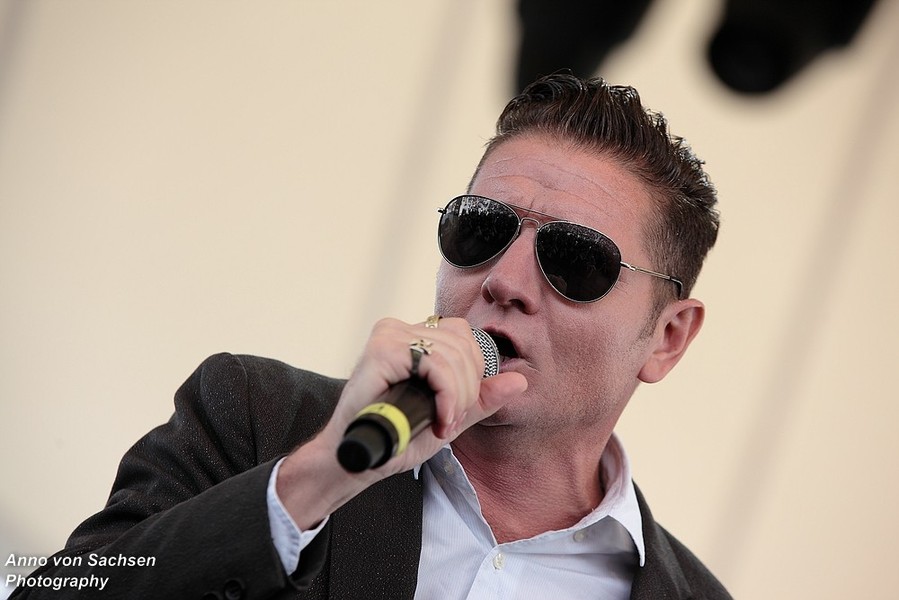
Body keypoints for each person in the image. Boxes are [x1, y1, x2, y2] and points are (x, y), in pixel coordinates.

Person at [11, 73, 730, 599]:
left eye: (574, 259)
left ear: (667, 337)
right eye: (481, 227)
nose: (504, 280)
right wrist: (318, 477)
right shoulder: (253, 417)